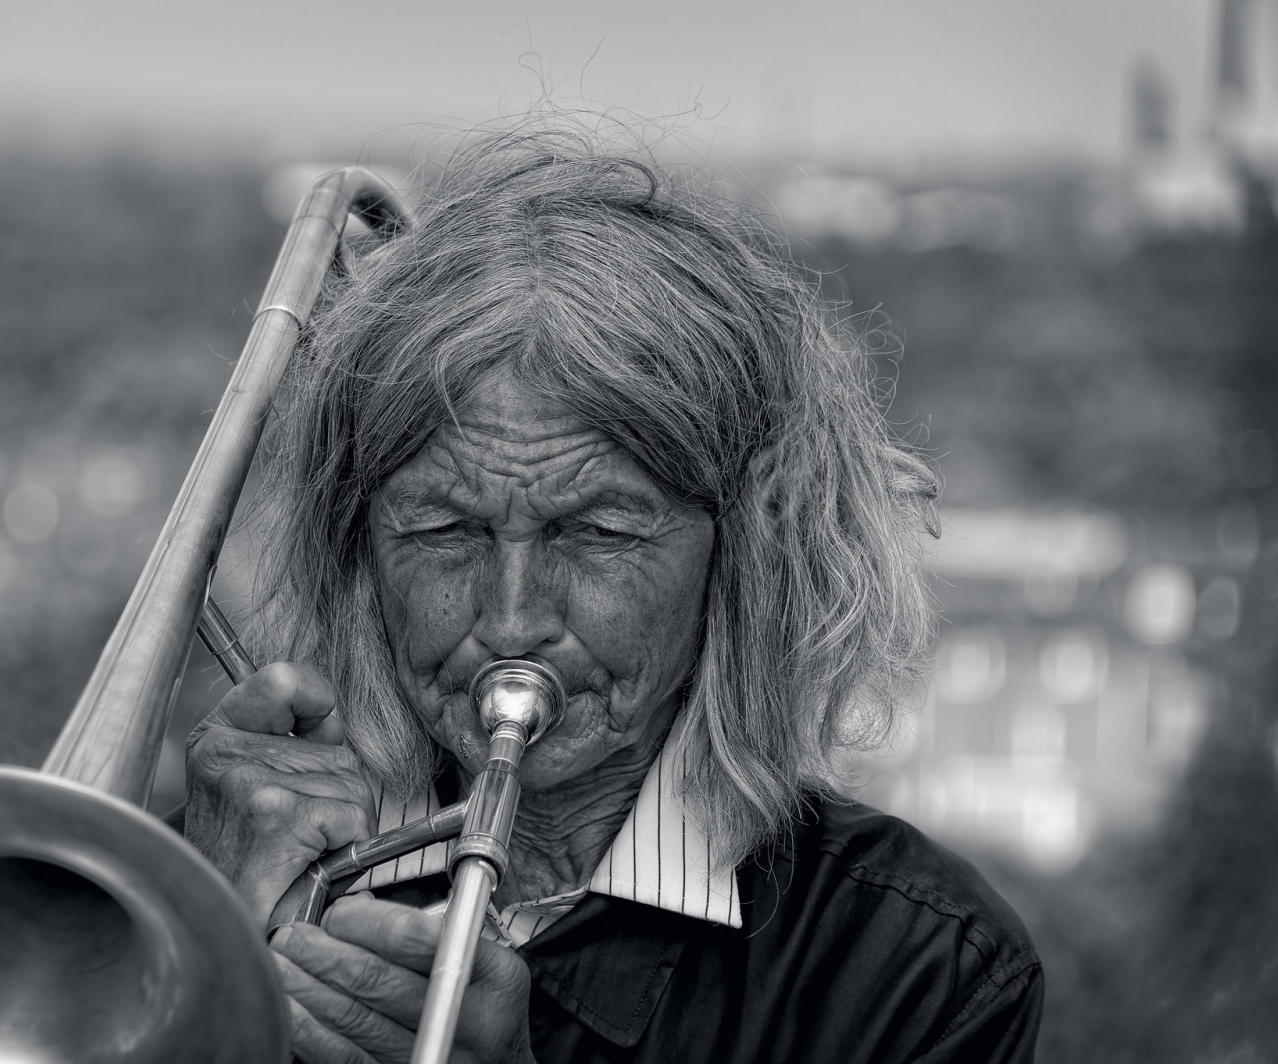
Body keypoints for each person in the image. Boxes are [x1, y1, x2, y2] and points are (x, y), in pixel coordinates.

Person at [176, 125, 1043, 1063]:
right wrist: (195, 969)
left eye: (597, 533)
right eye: (443, 531)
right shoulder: (218, 863)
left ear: (745, 561)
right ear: (360, 552)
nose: (512, 621)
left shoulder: (919, 971)